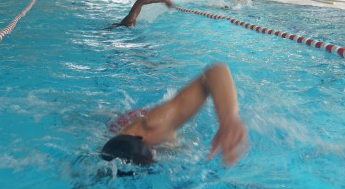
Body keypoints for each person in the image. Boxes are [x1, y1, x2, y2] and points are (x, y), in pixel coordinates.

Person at [101, 63, 247, 167]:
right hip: (116, 129)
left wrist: (228, 119)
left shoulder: (154, 125)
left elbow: (216, 71)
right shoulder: (108, 156)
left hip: (134, 119)